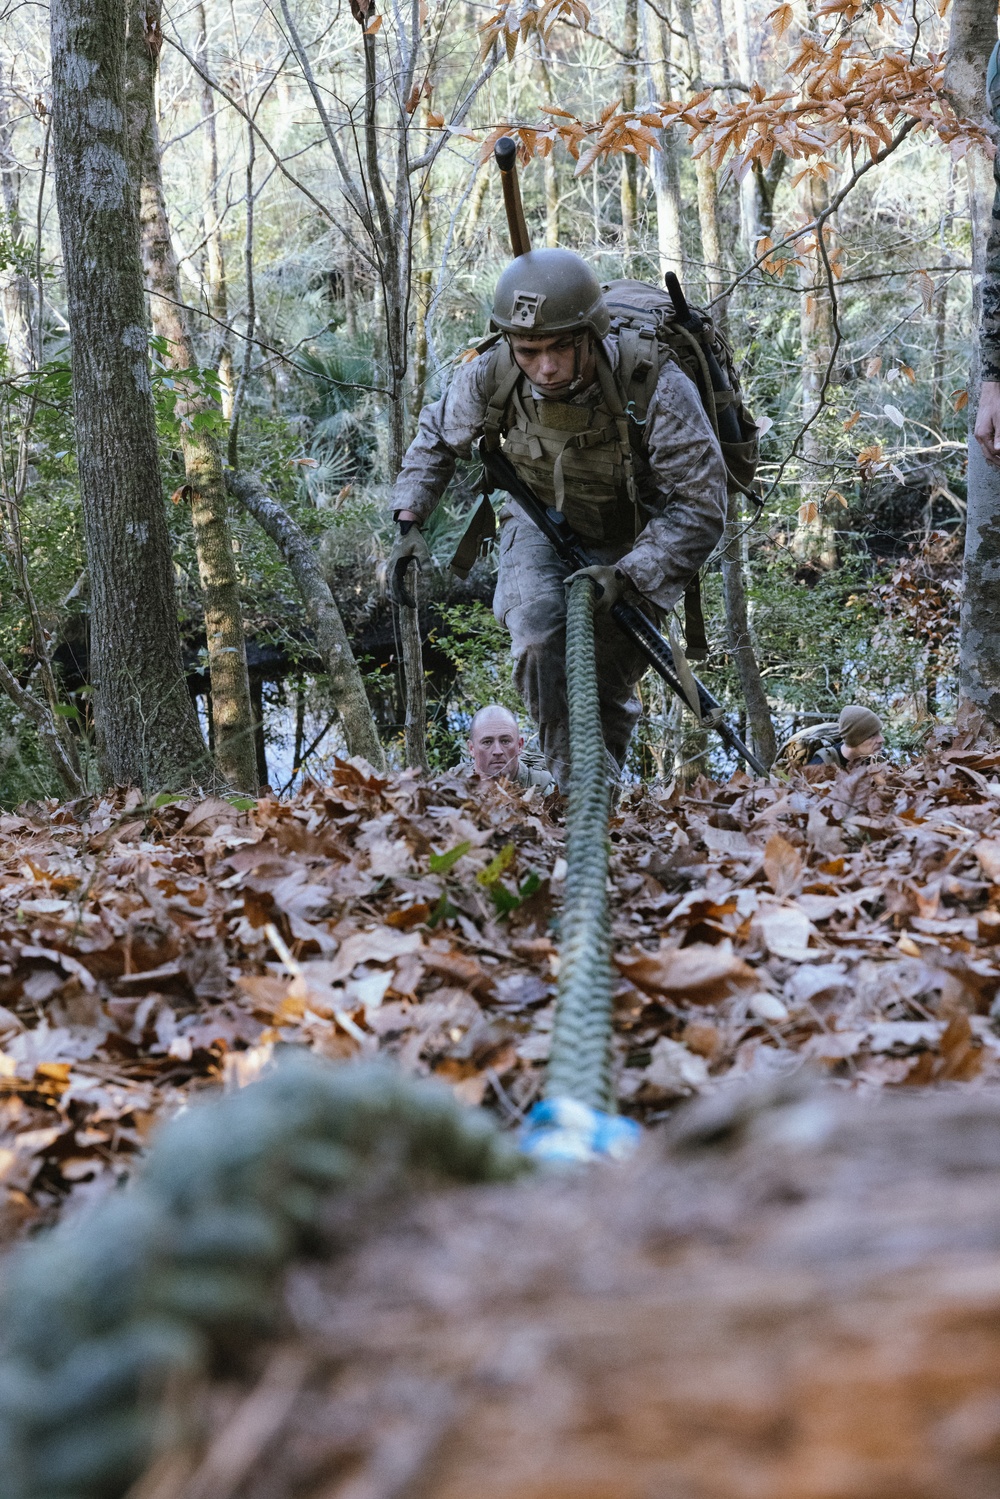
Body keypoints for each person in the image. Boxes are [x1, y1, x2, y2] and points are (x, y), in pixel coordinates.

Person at [387, 249, 727, 788]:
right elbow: (437, 435)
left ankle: (600, 797)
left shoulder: (654, 384)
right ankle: (574, 796)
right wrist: (409, 521)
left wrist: (630, 575)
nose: (545, 367)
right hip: (537, 518)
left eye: (561, 348)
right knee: (539, 638)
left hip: (636, 536)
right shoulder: (493, 372)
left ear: (591, 334)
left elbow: (703, 506)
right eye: (529, 351)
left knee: (605, 683)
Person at [467, 704, 555, 792]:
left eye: (505, 741)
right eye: (487, 742)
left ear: (519, 745)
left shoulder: (544, 786)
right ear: (471, 748)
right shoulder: (455, 785)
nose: (498, 751)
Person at [780, 705, 885, 770]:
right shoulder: (820, 765)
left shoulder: (877, 757)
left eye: (879, 733)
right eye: (872, 735)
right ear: (855, 739)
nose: (882, 739)